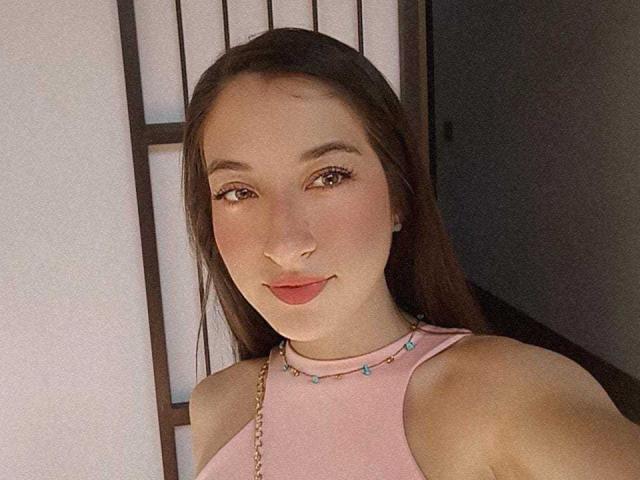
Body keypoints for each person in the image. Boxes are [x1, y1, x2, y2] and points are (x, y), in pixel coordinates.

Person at [182, 28, 640, 479]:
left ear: (397, 199)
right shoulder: (217, 406)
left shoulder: (505, 396)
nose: (285, 246)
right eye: (237, 191)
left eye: (329, 177)